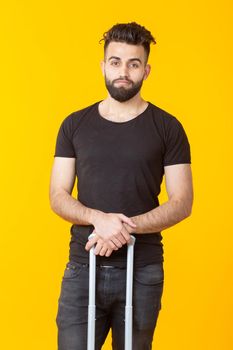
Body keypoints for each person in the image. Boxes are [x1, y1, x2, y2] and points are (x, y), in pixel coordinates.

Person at [49, 21, 193, 350]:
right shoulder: (74, 125)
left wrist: (124, 227)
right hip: (83, 266)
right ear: (103, 66)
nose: (123, 71)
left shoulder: (168, 128)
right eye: (115, 62)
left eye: (133, 63)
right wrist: (100, 220)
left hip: (141, 269)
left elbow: (182, 201)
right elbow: (57, 196)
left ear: (147, 70)